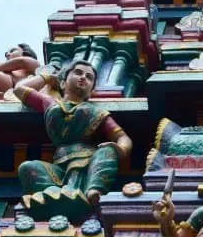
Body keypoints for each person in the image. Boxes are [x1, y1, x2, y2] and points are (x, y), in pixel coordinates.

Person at [14, 60, 131, 212]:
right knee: (27, 168)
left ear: (91, 91)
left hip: (89, 163)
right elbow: (19, 89)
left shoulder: (96, 112)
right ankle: (54, 193)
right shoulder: (51, 103)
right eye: (78, 73)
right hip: (59, 167)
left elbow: (123, 137)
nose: (83, 77)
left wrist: (121, 149)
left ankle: (93, 192)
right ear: (63, 83)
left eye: (89, 77)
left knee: (107, 151)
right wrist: (49, 77)